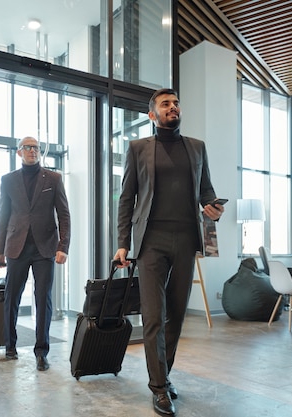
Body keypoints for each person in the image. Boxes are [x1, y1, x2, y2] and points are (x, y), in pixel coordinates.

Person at [113, 88, 224, 416]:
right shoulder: (137, 149)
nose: (173, 107)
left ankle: (164, 374)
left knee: (176, 314)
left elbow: (207, 191)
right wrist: (123, 242)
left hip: (186, 239)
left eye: (176, 103)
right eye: (165, 104)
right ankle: (158, 386)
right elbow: (126, 199)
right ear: (152, 114)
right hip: (151, 242)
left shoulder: (196, 147)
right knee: (153, 315)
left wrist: (214, 209)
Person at [0, 136, 71, 372]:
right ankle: (10, 346)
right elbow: (3, 216)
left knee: (43, 299)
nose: (32, 151)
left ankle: (41, 352)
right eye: (27, 147)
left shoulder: (54, 179)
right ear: (19, 152)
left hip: (45, 247)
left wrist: (63, 246)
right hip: (16, 246)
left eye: (36, 148)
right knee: (12, 298)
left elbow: (64, 215)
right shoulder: (8, 181)